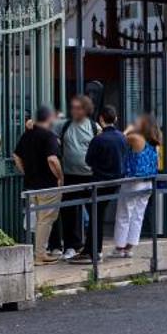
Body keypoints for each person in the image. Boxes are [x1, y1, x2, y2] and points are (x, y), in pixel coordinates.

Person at [12, 105, 64, 258]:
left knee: (36, 219)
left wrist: (25, 171)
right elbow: (52, 159)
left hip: (31, 184)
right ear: (49, 119)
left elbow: (16, 156)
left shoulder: (27, 135)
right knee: (45, 220)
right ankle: (40, 253)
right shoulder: (49, 136)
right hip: (47, 185)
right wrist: (60, 176)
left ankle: (38, 251)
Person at [82, 106, 128, 262]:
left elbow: (88, 160)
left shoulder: (98, 139)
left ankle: (95, 250)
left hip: (99, 182)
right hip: (115, 182)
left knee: (96, 214)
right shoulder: (122, 137)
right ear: (115, 119)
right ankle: (91, 249)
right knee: (97, 213)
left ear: (101, 119)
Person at [113, 113, 161, 259]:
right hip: (148, 183)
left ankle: (120, 247)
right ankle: (129, 247)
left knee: (124, 214)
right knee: (137, 215)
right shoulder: (156, 142)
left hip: (133, 182)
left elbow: (119, 138)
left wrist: (128, 128)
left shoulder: (136, 138)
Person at [56, 95, 96, 259]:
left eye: (78, 108)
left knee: (93, 211)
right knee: (68, 211)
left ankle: (91, 247)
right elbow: (44, 126)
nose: (74, 110)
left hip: (89, 175)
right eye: (73, 107)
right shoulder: (64, 125)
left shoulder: (93, 126)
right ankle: (70, 246)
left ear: (86, 110)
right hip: (69, 175)